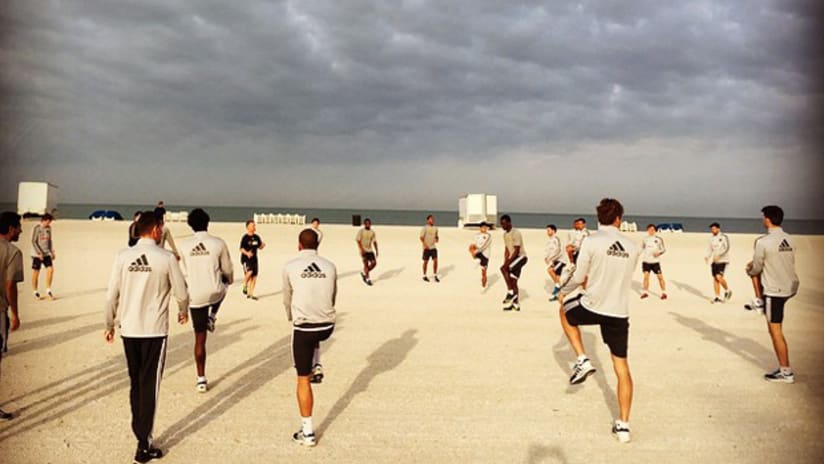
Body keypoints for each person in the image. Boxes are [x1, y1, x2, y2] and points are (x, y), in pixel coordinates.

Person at [104, 211, 189, 463]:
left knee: (136, 382)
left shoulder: (122, 256)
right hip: (154, 330)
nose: (162, 231)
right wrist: (183, 311)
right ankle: (143, 442)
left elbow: (111, 295)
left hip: (128, 329)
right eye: (161, 228)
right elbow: (182, 292)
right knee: (149, 385)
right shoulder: (165, 258)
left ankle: (140, 432)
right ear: (154, 230)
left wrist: (109, 323)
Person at [557, 198, 640, 443]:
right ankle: (624, 426)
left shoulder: (591, 241)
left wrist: (562, 290)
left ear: (598, 218)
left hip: (593, 305)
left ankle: (582, 360)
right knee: (622, 368)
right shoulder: (633, 247)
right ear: (619, 219)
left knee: (564, 311)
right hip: (618, 312)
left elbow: (579, 276)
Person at [282, 228, 337, 447]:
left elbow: (287, 298)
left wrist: (290, 317)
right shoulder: (330, 266)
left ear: (299, 245)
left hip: (305, 328)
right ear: (317, 245)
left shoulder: (290, 267)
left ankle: (307, 433)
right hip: (327, 326)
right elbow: (332, 295)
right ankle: (317, 363)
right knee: (314, 327)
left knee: (302, 379)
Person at [180, 208, 233, 393]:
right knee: (225, 285)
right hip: (214, 292)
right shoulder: (218, 243)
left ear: (190, 225)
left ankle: (201, 379)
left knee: (199, 339)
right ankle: (213, 314)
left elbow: (184, 271)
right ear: (208, 223)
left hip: (195, 296)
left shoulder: (185, 245)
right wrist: (228, 279)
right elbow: (227, 269)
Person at [744, 206, 800, 383]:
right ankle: (760, 301)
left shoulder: (763, 242)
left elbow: (758, 267)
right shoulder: (790, 239)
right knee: (776, 326)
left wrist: (750, 268)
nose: (762, 220)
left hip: (774, 291)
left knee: (775, 330)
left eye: (763, 217)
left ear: (767, 219)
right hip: (790, 286)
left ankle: (785, 372)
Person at [0, 212, 24, 420]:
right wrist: (15, 313)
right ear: (10, 229)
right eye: (18, 227)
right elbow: (10, 285)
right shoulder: (13, 252)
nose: (20, 231)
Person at [500, 215, 528, 311]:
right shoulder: (504, 235)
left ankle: (510, 292)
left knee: (503, 269)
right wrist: (505, 261)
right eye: (501, 224)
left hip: (520, 257)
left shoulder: (516, 233)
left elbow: (516, 250)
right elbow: (507, 249)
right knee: (513, 281)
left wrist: (507, 264)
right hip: (513, 259)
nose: (502, 226)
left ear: (509, 222)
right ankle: (515, 304)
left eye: (504, 223)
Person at [30, 213, 56, 300]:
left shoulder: (49, 229)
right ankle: (35, 292)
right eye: (48, 222)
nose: (49, 224)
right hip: (37, 254)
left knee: (50, 270)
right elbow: (33, 241)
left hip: (46, 253)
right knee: (36, 272)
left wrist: (52, 251)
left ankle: (48, 290)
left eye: (50, 222)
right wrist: (39, 253)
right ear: (43, 221)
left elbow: (50, 241)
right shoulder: (37, 228)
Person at [705, 222, 732, 303]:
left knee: (719, 277)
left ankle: (727, 290)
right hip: (714, 261)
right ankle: (717, 296)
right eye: (711, 229)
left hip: (723, 260)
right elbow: (710, 249)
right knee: (715, 279)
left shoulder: (724, 237)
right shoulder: (711, 238)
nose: (712, 230)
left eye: (714, 229)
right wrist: (707, 256)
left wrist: (719, 256)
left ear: (718, 229)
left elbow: (727, 248)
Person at [640, 224, 667, 300]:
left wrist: (659, 253)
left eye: (652, 230)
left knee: (660, 277)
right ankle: (645, 292)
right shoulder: (645, 239)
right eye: (649, 229)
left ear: (655, 231)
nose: (651, 231)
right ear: (647, 230)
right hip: (646, 261)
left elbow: (663, 249)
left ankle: (664, 292)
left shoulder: (658, 239)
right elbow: (641, 248)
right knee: (646, 277)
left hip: (655, 262)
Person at [240, 220, 265, 300]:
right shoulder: (245, 237)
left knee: (254, 277)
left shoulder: (257, 237)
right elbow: (241, 249)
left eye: (254, 225)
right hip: (246, 259)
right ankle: (244, 285)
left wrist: (262, 246)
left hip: (254, 259)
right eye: (252, 225)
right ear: (248, 227)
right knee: (249, 272)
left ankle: (250, 294)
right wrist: (247, 253)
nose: (254, 227)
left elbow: (259, 246)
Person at [469, 222, 492, 290]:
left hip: (485, 255)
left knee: (483, 272)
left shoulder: (489, 236)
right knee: (471, 247)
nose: (484, 229)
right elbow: (475, 244)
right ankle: (476, 259)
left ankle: (483, 286)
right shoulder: (476, 235)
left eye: (485, 227)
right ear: (480, 228)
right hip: (478, 253)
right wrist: (474, 250)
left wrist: (477, 251)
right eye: (483, 227)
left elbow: (485, 246)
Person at [544, 224, 565, 301]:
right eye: (547, 230)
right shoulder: (550, 240)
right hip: (554, 260)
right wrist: (546, 257)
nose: (547, 232)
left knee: (550, 270)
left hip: (560, 260)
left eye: (549, 230)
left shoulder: (556, 239)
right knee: (557, 277)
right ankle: (556, 295)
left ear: (553, 231)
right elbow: (549, 250)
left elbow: (558, 250)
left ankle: (558, 286)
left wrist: (550, 258)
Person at [355, 218, 378, 286]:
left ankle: (365, 272)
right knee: (366, 263)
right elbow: (358, 240)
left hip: (370, 250)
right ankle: (368, 278)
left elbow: (374, 241)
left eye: (369, 223)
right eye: (366, 223)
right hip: (363, 249)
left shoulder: (372, 232)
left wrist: (376, 250)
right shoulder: (361, 231)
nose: (368, 224)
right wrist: (362, 249)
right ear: (364, 224)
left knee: (374, 263)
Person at [420, 215, 440, 282]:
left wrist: (437, 239)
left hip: (433, 247)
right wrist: (425, 245)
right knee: (425, 262)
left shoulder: (436, 228)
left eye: (433, 219)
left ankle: (435, 275)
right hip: (426, 248)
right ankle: (424, 275)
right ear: (428, 220)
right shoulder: (424, 228)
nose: (432, 220)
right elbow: (421, 237)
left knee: (435, 261)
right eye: (431, 219)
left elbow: (437, 236)